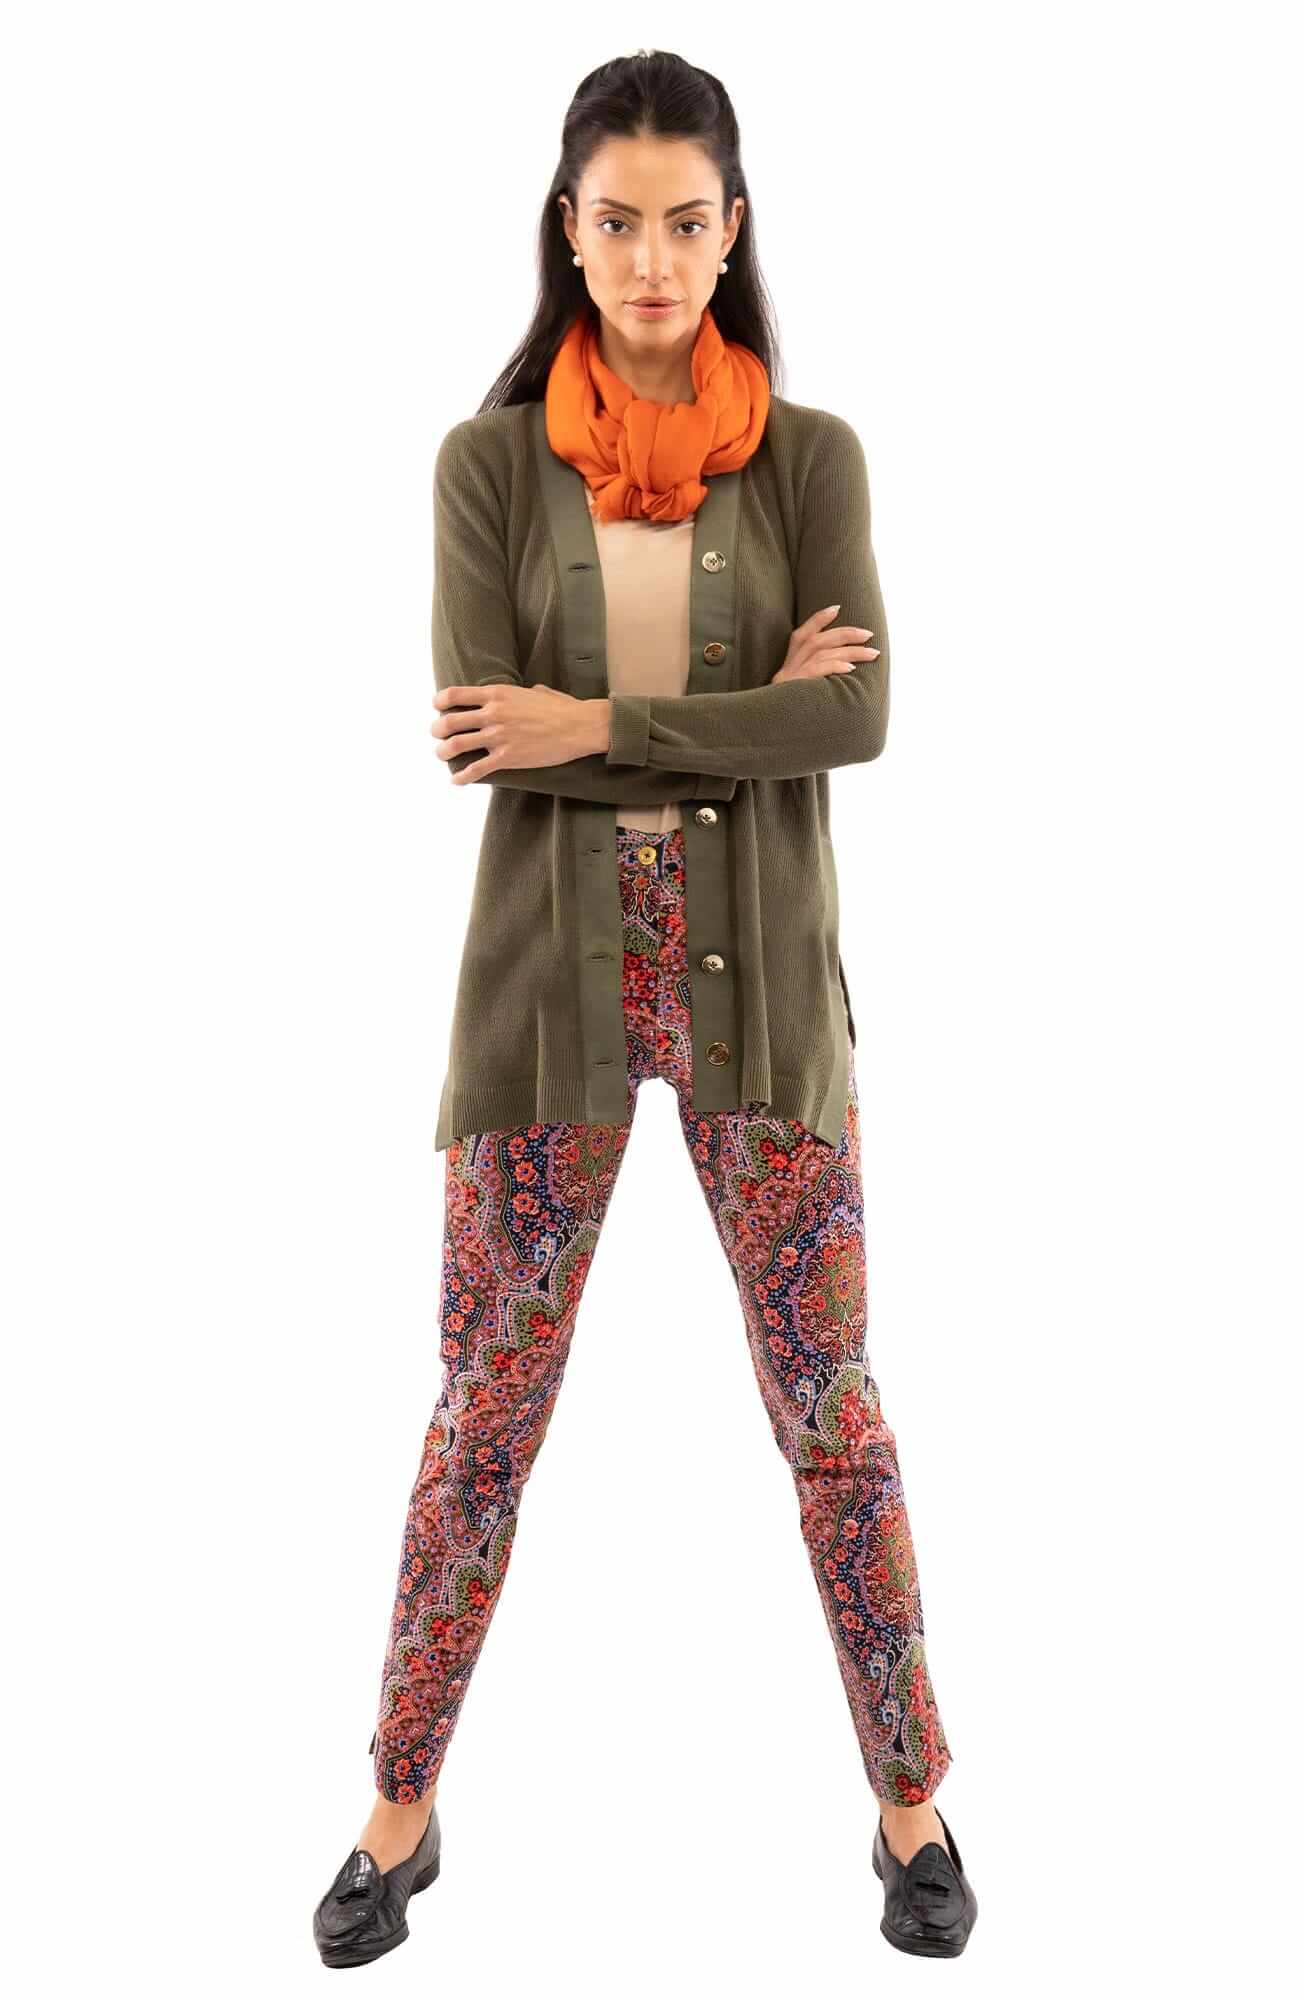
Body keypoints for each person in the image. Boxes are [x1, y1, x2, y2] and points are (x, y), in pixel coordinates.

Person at [313, 48, 978, 1969]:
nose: (655, 261)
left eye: (689, 222)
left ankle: (913, 1805)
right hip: (549, 997)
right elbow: (479, 735)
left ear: (733, 229)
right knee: (482, 1419)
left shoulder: (814, 459)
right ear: (569, 229)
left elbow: (860, 714)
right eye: (619, 221)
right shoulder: (486, 466)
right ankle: (398, 1807)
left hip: (766, 999)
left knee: (832, 1411)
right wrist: (741, 717)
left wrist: (590, 722)